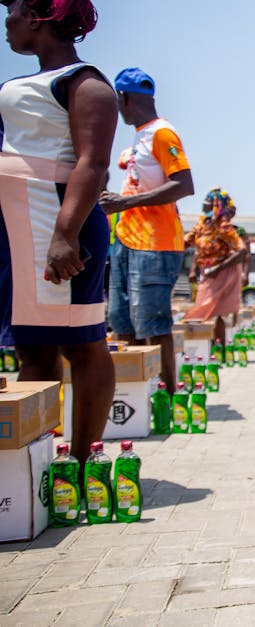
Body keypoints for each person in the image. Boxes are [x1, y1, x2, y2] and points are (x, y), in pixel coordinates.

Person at [0, 0, 115, 468]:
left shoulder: (84, 82)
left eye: (13, 12)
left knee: (81, 342)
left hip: (57, 225)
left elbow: (93, 164)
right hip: (17, 228)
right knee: (32, 344)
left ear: (38, 18)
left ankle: (83, 463)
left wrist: (65, 234)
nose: (6, 22)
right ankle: (38, 466)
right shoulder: (17, 83)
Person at [98, 66, 194, 392]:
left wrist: (124, 204)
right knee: (121, 322)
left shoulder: (162, 133)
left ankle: (168, 394)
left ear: (122, 98)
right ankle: (132, 394)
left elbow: (183, 185)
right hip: (127, 239)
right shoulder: (140, 136)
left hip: (155, 243)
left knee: (153, 322)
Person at [183, 188, 246, 344]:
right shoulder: (202, 223)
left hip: (223, 273)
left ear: (217, 205)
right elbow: (187, 242)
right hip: (207, 272)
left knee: (214, 312)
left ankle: (219, 349)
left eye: (209, 201)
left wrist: (218, 268)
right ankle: (209, 346)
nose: (204, 203)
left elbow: (242, 251)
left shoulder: (223, 226)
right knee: (205, 310)